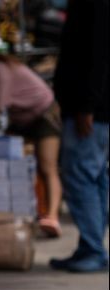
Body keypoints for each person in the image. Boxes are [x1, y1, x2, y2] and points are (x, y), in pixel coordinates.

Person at [0, 31, 63, 237]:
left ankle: (53, 216)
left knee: (47, 166)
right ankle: (32, 211)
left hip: (44, 113)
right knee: (17, 166)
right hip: (20, 119)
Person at [49, 0, 109, 273]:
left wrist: (87, 105)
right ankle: (92, 246)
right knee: (95, 176)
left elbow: (98, 54)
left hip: (90, 111)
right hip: (93, 109)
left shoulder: (95, 6)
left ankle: (92, 249)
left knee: (82, 175)